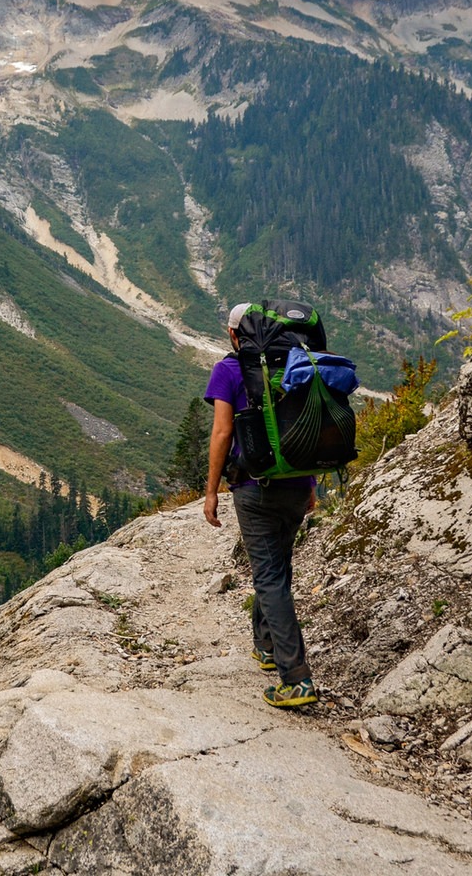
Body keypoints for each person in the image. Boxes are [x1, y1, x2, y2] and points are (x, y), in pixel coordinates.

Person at [202, 302, 318, 709]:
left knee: (268, 575)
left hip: (254, 487)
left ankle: (296, 679)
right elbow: (304, 425)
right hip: (297, 482)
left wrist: (212, 489)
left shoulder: (229, 370)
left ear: (236, 335)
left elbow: (221, 434)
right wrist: (311, 485)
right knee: (278, 566)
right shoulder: (295, 365)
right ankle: (267, 647)